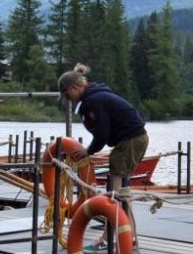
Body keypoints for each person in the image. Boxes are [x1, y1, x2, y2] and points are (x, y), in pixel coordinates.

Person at [57, 63, 149, 193]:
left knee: (117, 170)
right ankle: (122, 206)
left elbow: (102, 133)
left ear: (75, 88)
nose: (68, 99)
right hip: (136, 137)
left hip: (132, 138)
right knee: (120, 171)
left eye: (67, 95)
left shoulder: (93, 101)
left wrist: (88, 150)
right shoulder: (95, 95)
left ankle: (116, 204)